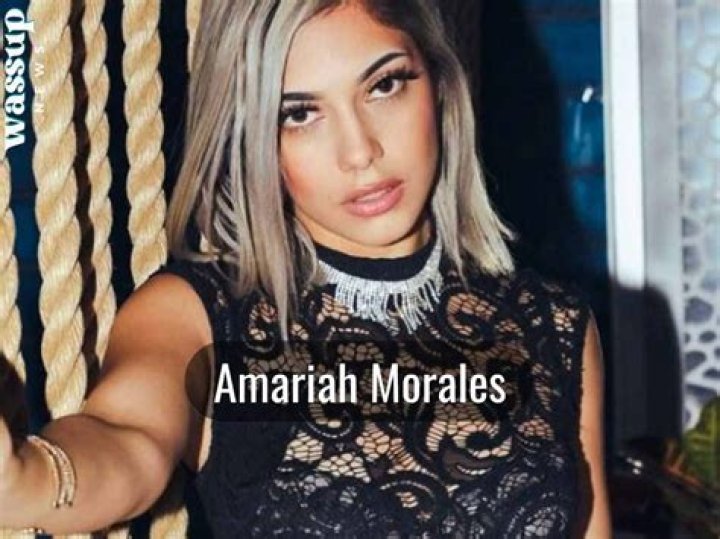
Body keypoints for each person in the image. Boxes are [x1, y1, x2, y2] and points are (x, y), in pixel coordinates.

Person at [0, 0, 611, 536]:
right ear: (252, 139)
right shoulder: (202, 317)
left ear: (440, 85)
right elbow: (126, 440)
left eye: (385, 85)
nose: (360, 151)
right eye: (299, 114)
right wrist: (23, 479)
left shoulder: (551, 327)